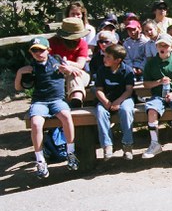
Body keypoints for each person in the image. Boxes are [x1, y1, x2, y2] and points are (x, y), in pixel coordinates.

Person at [15, 36, 79, 178]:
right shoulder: (31, 67)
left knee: (66, 116)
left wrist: (68, 69)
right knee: (36, 123)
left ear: (48, 50)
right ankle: (40, 160)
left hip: (57, 100)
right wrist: (20, 73)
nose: (38, 53)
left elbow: (75, 71)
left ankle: (70, 152)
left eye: (41, 50)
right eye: (34, 51)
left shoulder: (57, 61)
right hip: (40, 101)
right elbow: (18, 87)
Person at [141, 33, 172, 164]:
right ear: (156, 46)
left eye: (165, 45)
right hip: (157, 96)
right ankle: (154, 143)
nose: (162, 47)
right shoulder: (151, 63)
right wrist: (158, 82)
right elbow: (146, 84)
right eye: (159, 45)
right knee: (151, 110)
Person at [94, 43, 136, 160]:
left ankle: (127, 144)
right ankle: (107, 145)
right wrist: (106, 102)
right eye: (105, 56)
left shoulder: (127, 70)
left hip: (124, 98)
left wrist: (118, 101)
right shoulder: (102, 70)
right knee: (100, 112)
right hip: (106, 98)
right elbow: (98, 90)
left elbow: (129, 90)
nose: (104, 59)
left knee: (126, 111)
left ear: (118, 60)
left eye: (108, 57)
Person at [48, 17, 92, 107]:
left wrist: (68, 64)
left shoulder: (82, 44)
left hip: (80, 74)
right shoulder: (52, 42)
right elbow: (48, 62)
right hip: (57, 73)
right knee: (72, 73)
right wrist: (64, 67)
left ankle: (76, 100)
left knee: (74, 74)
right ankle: (75, 100)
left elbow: (80, 64)